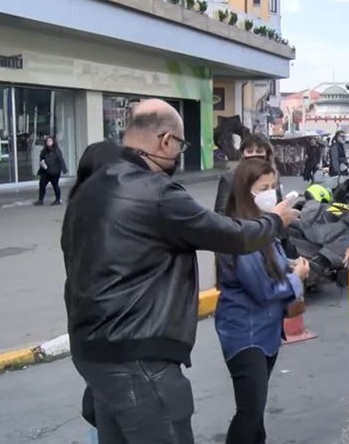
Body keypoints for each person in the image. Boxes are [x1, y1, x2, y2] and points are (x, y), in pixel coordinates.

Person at [62, 99, 298, 444]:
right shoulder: (154, 192)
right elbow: (231, 234)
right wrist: (275, 220)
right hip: (139, 356)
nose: (177, 155)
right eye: (181, 145)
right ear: (165, 140)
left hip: (91, 351)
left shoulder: (90, 189)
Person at [215, 158, 310, 444]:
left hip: (265, 332)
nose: (271, 193)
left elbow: (273, 265)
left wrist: (291, 264)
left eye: (273, 186)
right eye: (263, 187)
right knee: (249, 412)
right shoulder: (240, 233)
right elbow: (263, 290)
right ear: (247, 192)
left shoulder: (262, 229)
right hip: (246, 335)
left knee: (255, 412)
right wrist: (298, 278)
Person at [215, 133, 283, 214]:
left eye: (259, 151)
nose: (254, 155)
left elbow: (279, 203)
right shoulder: (230, 178)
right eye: (249, 151)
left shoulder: (273, 175)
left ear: (267, 154)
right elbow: (220, 213)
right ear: (243, 154)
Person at [34, 136, 67, 205]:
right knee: (42, 185)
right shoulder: (44, 151)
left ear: (53, 142)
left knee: (55, 185)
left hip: (54, 172)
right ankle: (40, 200)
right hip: (45, 171)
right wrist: (42, 163)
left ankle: (58, 200)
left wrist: (64, 169)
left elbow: (61, 160)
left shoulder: (56, 151)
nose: (48, 143)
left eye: (50, 141)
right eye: (47, 141)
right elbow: (41, 158)